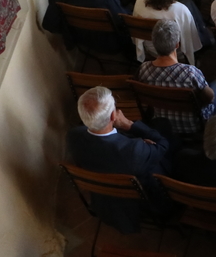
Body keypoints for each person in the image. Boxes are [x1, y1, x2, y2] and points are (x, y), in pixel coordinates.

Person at [66, 86, 171, 233]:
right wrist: (129, 125)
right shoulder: (133, 150)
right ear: (113, 116)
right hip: (140, 198)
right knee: (164, 130)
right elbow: (163, 145)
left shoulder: (73, 136)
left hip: (104, 201)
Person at [137, 20, 215, 134]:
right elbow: (210, 98)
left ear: (154, 43)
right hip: (194, 126)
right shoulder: (190, 72)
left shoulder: (144, 69)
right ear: (177, 44)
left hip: (162, 125)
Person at [132, 0, 203, 65]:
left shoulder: (139, 2)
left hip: (151, 50)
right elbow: (192, 43)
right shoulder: (181, 10)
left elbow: (136, 36)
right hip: (177, 54)